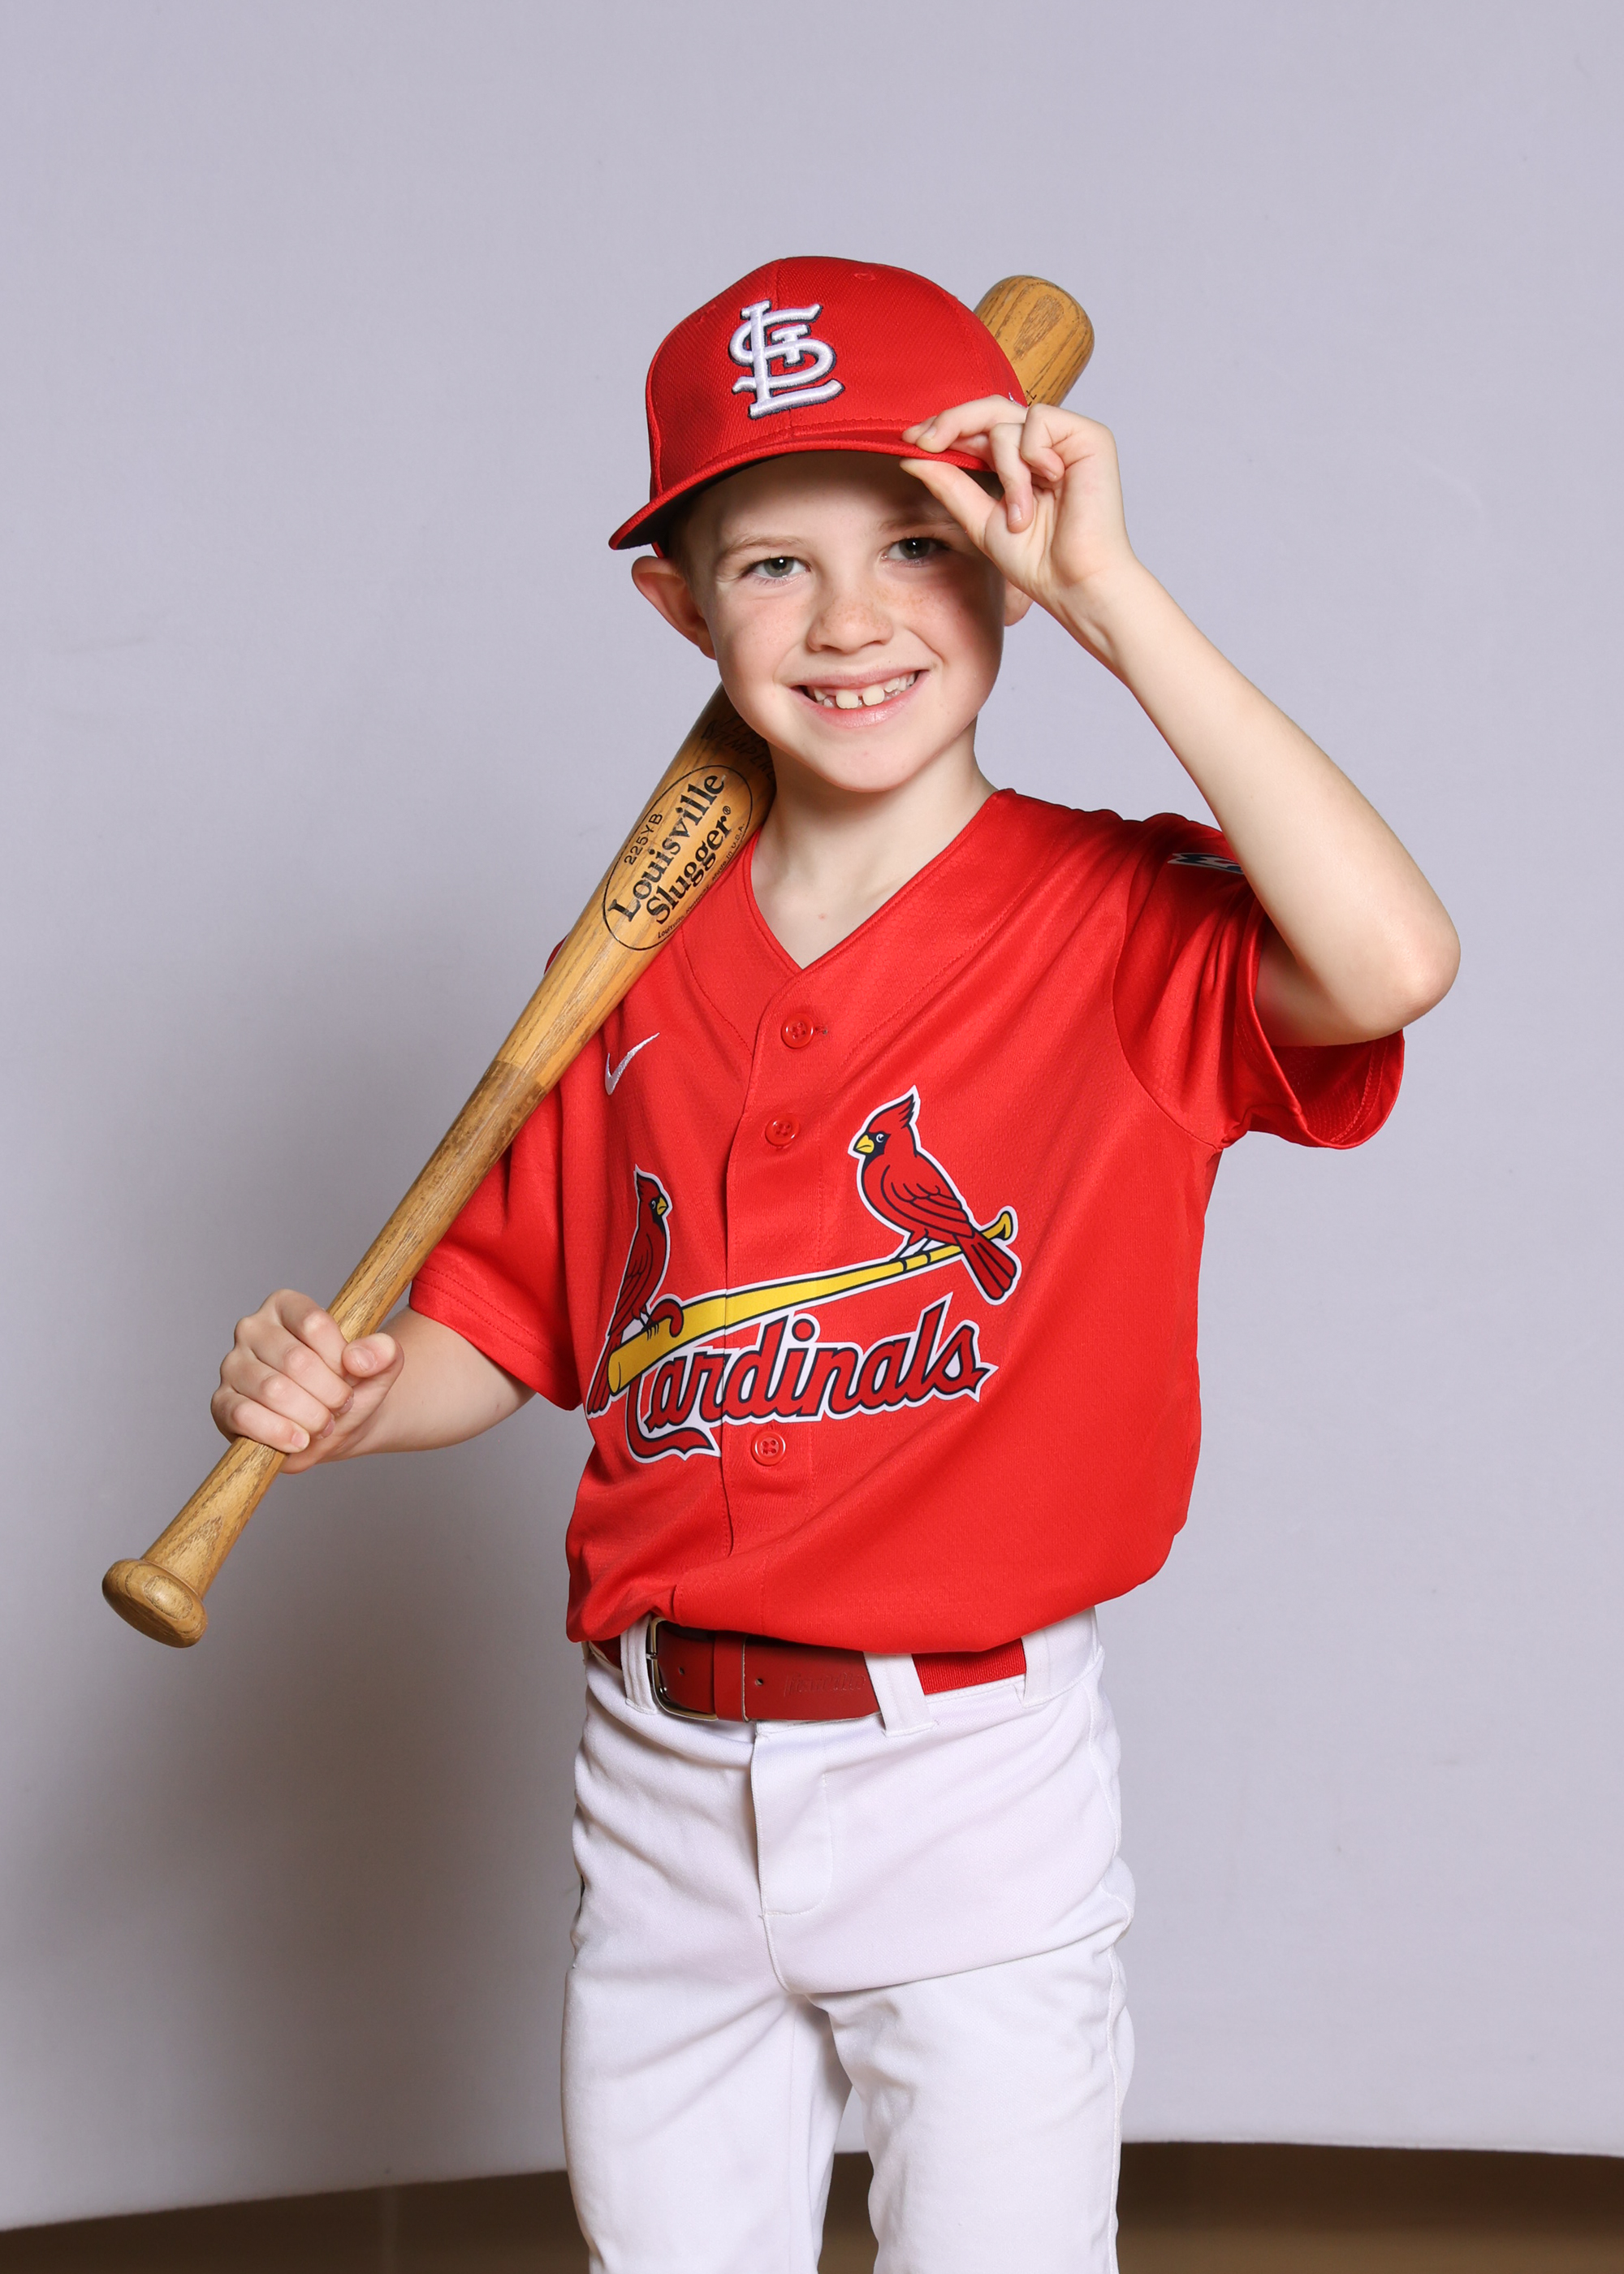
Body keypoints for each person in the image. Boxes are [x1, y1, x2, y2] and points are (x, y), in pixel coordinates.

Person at [211, 257, 1458, 2272]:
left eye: (914, 544)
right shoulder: (622, 971)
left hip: (962, 1766)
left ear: (1005, 562)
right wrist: (361, 1395)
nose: (854, 619)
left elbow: (1391, 961)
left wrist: (1115, 600)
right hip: (657, 1770)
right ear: (679, 609)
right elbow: (513, 1322)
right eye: (773, 565)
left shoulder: (1115, 917)